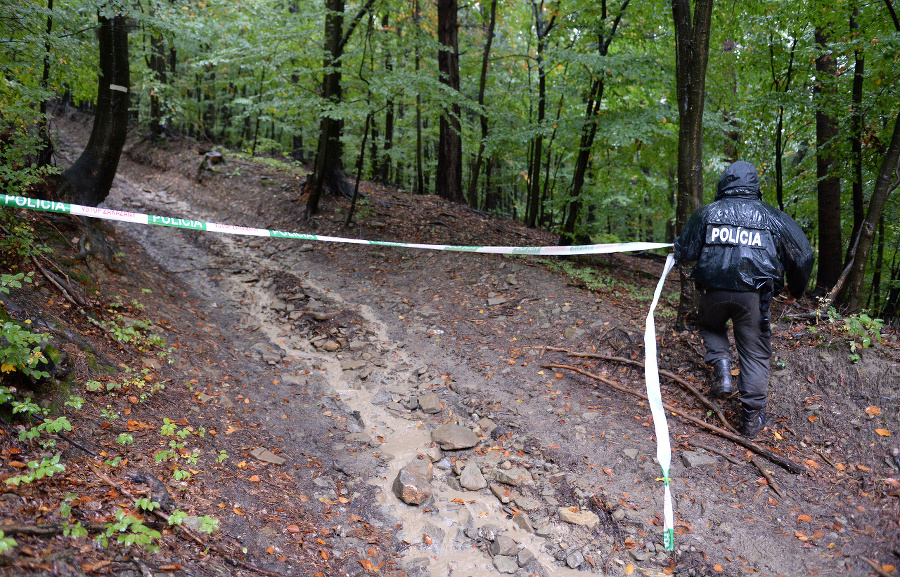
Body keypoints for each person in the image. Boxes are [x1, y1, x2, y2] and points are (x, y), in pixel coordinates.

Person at [674, 161, 814, 438]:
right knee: (754, 352)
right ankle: (751, 419)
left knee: (711, 327)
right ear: (755, 187)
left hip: (713, 293)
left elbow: (685, 250)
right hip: (753, 298)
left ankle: (723, 368)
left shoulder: (707, 214)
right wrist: (795, 289)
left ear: (724, 183)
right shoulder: (774, 218)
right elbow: (804, 255)